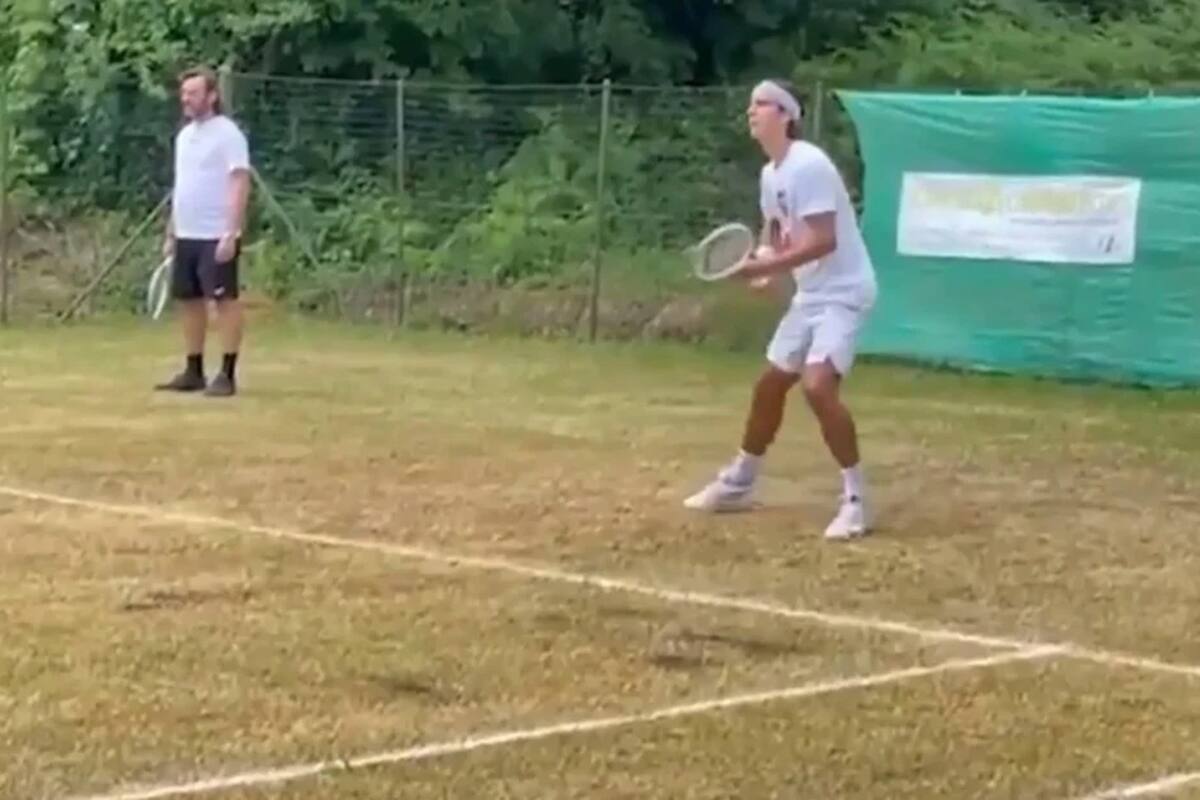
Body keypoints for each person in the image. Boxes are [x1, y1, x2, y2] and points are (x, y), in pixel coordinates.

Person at [683, 79, 878, 540]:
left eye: (761, 104)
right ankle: (740, 481)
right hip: (810, 296)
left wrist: (765, 268)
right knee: (770, 386)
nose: (751, 111)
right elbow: (776, 231)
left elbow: (824, 240)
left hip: (845, 292)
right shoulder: (771, 174)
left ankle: (856, 499)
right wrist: (768, 268)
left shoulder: (808, 165)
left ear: (786, 115)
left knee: (817, 387)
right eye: (750, 104)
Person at [155, 66, 251, 398]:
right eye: (184, 93)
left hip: (216, 233)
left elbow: (240, 180)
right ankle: (193, 369)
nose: (186, 99)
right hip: (187, 233)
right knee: (189, 301)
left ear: (211, 96)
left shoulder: (228, 134)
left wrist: (231, 230)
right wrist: (172, 229)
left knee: (224, 300)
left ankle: (227, 373)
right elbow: (181, 186)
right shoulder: (184, 137)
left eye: (193, 93)